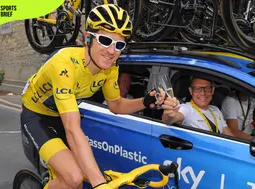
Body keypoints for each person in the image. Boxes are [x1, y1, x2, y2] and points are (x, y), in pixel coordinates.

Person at [20, 4, 163, 189]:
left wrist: (145, 101)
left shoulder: (110, 68)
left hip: (64, 115)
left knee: (78, 181)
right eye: (105, 40)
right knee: (74, 178)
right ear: (88, 39)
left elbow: (116, 105)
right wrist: (98, 183)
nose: (112, 51)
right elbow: (72, 129)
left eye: (119, 45)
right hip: (37, 116)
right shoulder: (64, 65)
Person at [161, 77, 234, 136]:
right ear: (190, 91)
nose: (203, 93)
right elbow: (170, 119)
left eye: (207, 88)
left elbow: (230, 137)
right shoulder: (187, 109)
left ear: (212, 90)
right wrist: (169, 114)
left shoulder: (216, 110)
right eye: (197, 89)